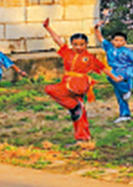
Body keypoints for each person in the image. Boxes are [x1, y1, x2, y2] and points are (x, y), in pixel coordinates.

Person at [41, 18, 120, 147]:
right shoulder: (67, 52)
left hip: (80, 84)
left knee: (55, 92)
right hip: (66, 82)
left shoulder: (89, 57)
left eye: (81, 44)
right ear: (71, 44)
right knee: (78, 111)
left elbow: (103, 68)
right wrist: (47, 28)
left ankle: (74, 108)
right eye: (75, 44)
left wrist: (115, 78)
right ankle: (82, 137)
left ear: (86, 44)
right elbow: (57, 40)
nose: (78, 47)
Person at [94, 22, 133, 123]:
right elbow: (100, 38)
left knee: (112, 79)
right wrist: (96, 28)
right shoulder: (109, 47)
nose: (118, 42)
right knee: (119, 94)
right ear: (112, 41)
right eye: (116, 40)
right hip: (116, 72)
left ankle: (127, 89)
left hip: (126, 72)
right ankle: (125, 114)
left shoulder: (127, 51)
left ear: (125, 42)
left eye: (121, 40)